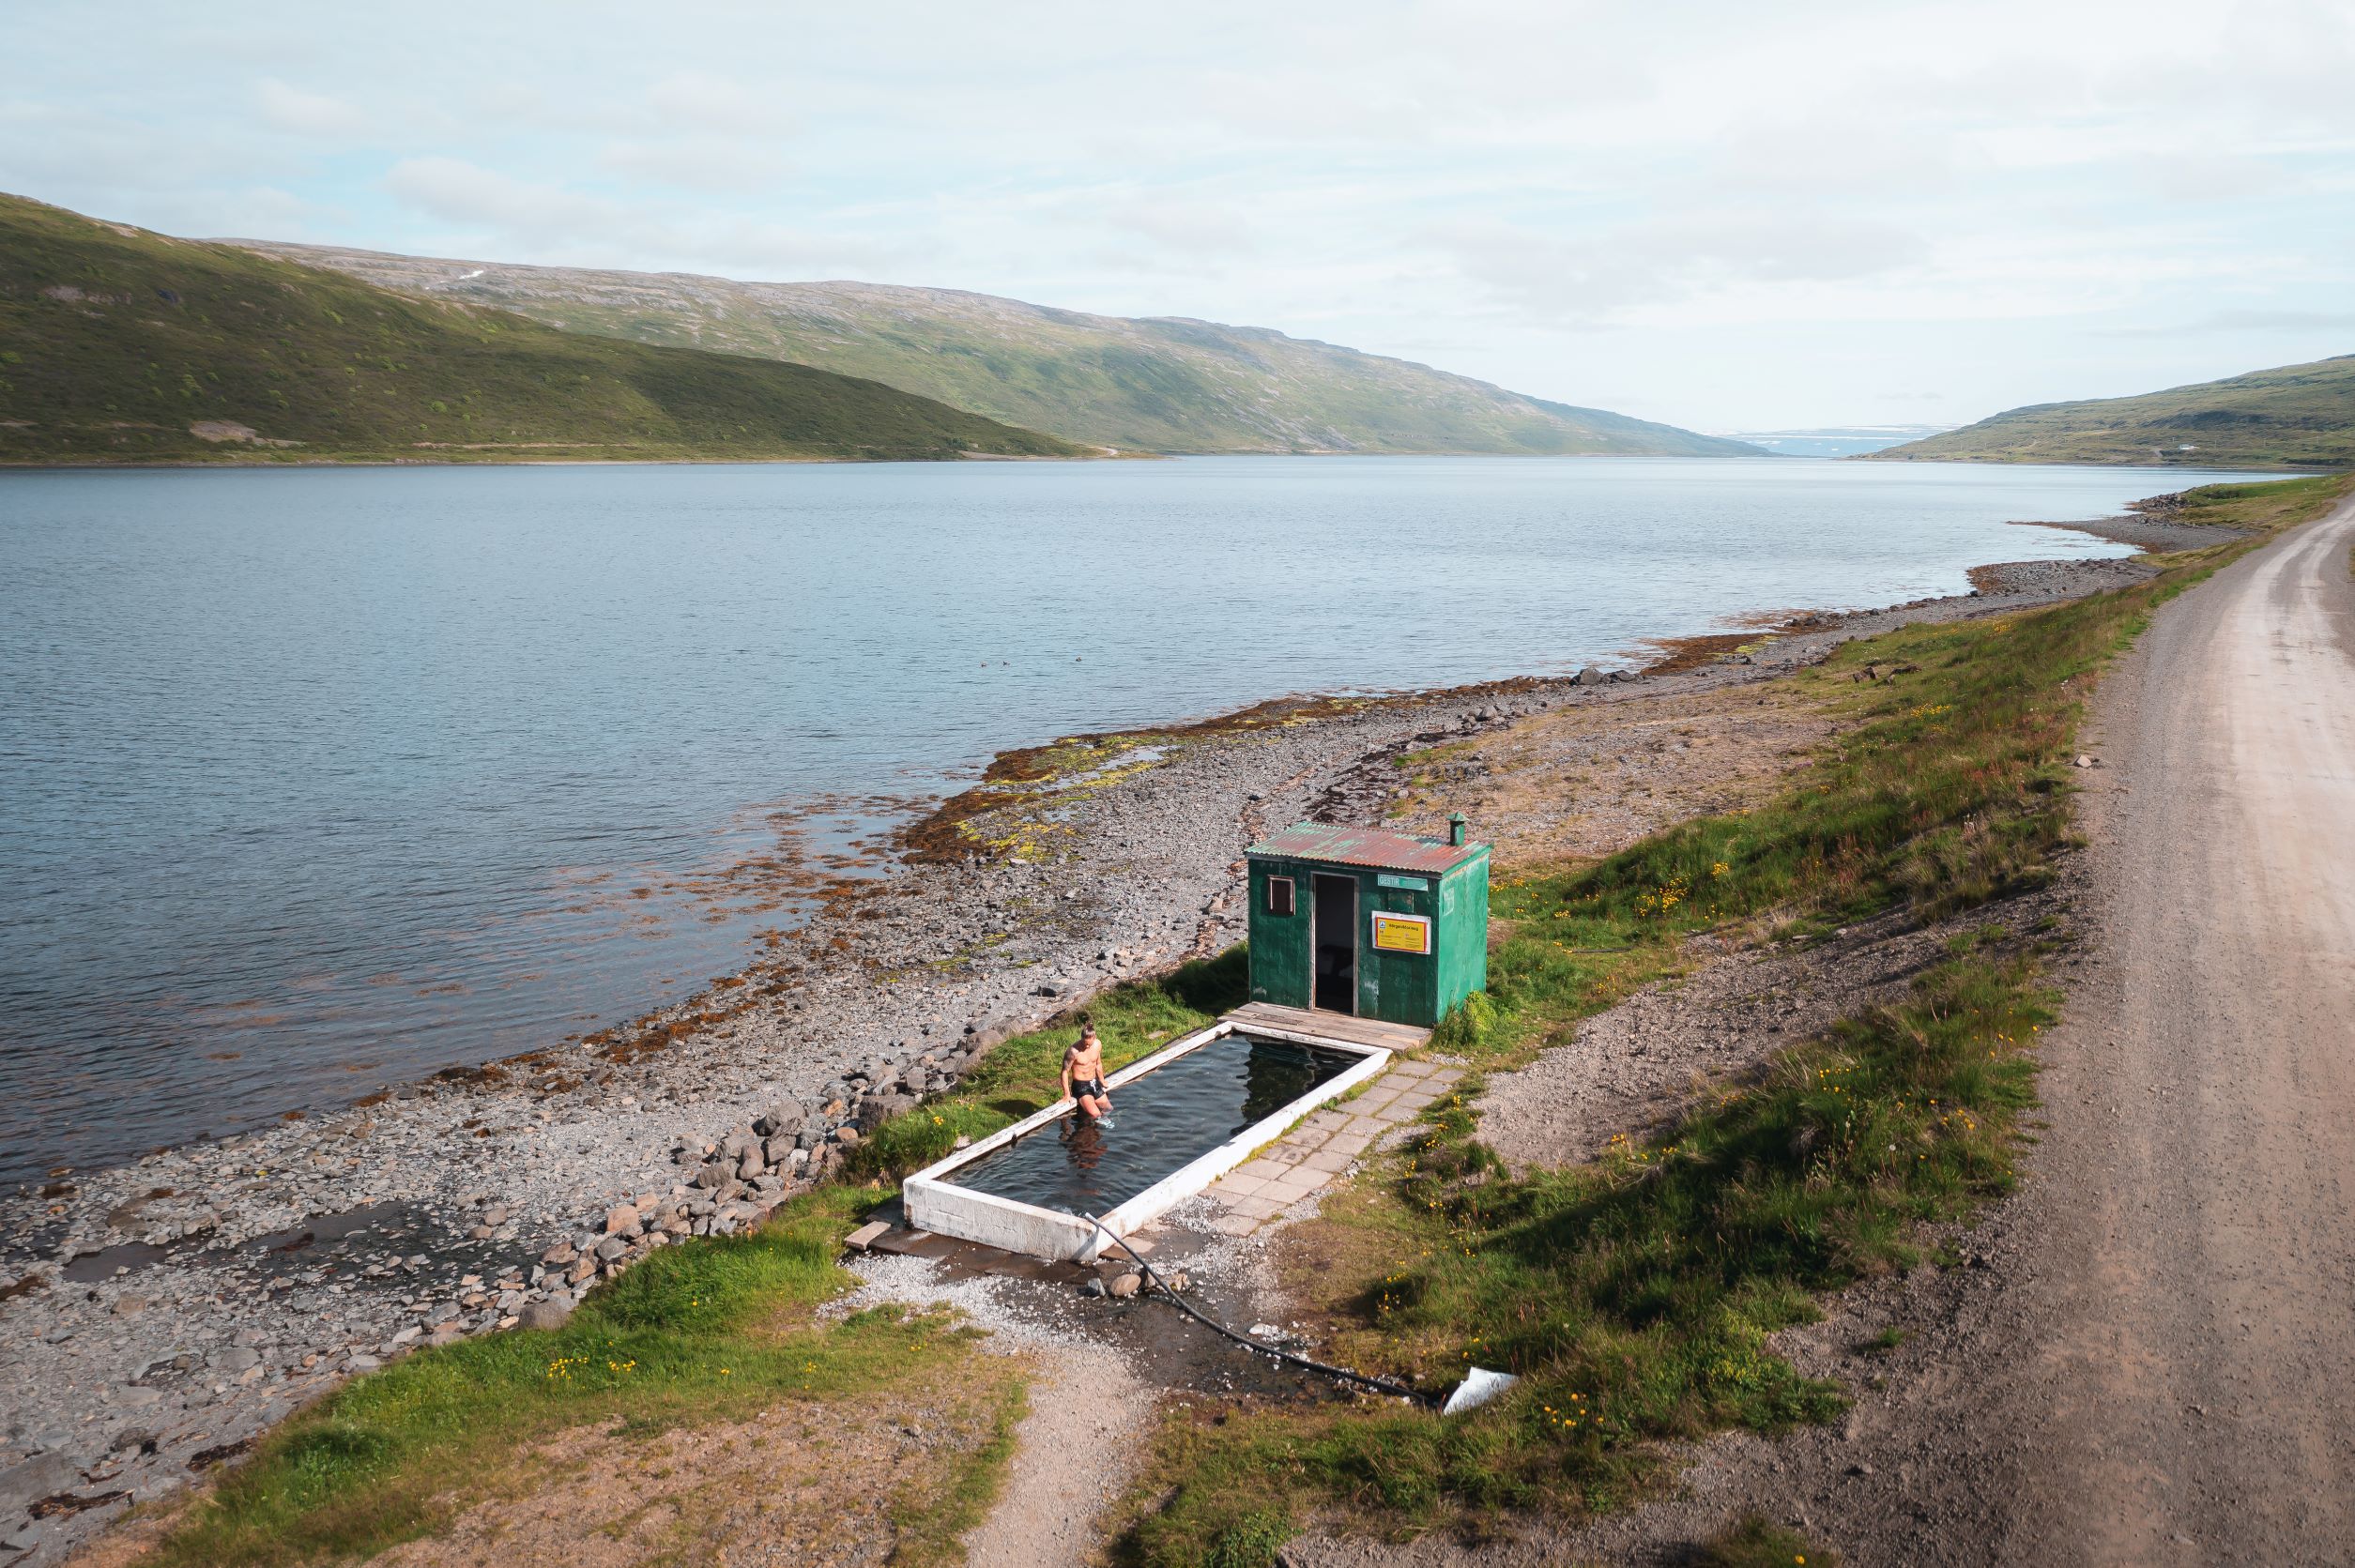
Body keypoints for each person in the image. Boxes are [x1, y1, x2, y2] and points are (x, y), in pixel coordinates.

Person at [1062, 1014, 1113, 1120]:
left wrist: (1102, 1080)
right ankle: (1103, 1126)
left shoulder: (1098, 1044)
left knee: (1109, 1109)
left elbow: (1098, 1063)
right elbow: (1064, 1072)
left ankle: (1103, 1128)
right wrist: (1067, 1094)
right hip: (1081, 1086)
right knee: (1096, 1115)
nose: (1087, 1047)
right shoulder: (1073, 1051)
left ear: (1094, 1038)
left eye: (1089, 1044)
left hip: (1094, 1083)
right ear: (1081, 1038)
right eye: (1085, 1044)